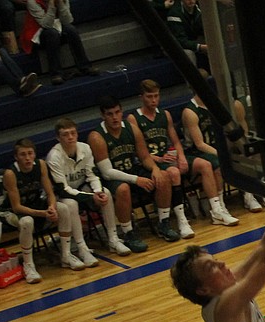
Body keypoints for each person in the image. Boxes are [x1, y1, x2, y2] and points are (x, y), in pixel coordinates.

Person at [89, 95, 179, 253]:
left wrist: (155, 169)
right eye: (110, 114)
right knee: (123, 189)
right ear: (103, 116)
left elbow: (144, 157)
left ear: (121, 111)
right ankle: (128, 233)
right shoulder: (97, 137)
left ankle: (163, 223)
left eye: (117, 112)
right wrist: (137, 180)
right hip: (111, 178)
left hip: (132, 170)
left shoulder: (131, 128)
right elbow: (107, 172)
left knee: (163, 176)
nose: (115, 117)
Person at [127, 79, 205, 235]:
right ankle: (180, 220)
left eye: (156, 96)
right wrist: (158, 160)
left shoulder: (165, 114)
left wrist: (181, 157)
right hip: (149, 162)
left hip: (166, 159)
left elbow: (176, 140)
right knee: (174, 173)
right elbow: (138, 151)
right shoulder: (133, 118)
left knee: (196, 166)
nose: (154, 100)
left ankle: (204, 212)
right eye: (150, 96)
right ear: (141, 97)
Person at [0, 137, 76, 283]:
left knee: (63, 208)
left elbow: (50, 193)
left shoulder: (40, 164)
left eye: (30, 153)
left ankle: (66, 255)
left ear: (34, 154)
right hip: (10, 211)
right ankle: (29, 265)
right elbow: (16, 207)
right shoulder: (10, 173)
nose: (27, 158)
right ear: (16, 157)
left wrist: (52, 208)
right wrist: (43, 214)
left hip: (34, 204)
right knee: (27, 222)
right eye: (23, 154)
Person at [45, 117, 113, 270]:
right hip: (62, 196)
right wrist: (90, 196)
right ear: (58, 137)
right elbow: (63, 189)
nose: (70, 137)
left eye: (73, 133)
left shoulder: (85, 148)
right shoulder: (54, 157)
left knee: (106, 192)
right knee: (71, 204)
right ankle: (82, 248)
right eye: (65, 134)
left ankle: (113, 238)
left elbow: (92, 175)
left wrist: (98, 191)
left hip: (82, 188)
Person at [181, 90, 242, 222]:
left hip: (216, 148)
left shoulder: (215, 105)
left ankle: (250, 197)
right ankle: (218, 209)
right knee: (219, 164)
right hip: (195, 152)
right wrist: (223, 155)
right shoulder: (190, 111)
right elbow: (199, 144)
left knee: (241, 155)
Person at [20, 0, 96, 85]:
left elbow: (68, 20)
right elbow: (46, 24)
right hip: (37, 34)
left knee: (71, 30)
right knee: (52, 33)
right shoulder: (33, 2)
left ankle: (85, 66)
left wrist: (60, 3)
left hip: (56, 27)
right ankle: (56, 74)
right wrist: (52, 5)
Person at [166, 0, 209, 71]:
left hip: (193, 39)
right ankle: (194, 80)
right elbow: (180, 41)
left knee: (215, 44)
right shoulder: (174, 14)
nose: (191, 0)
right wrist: (200, 47)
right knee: (188, 54)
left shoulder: (199, 9)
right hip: (175, 45)